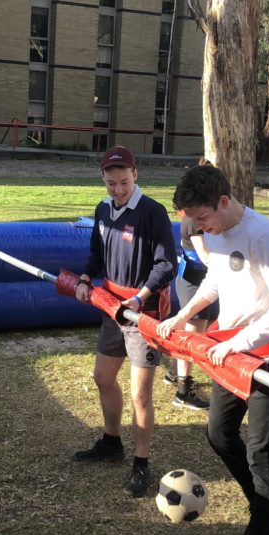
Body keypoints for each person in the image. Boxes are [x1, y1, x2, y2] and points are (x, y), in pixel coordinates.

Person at [157, 164, 269, 535]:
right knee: (219, 434)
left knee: (262, 453)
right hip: (232, 354)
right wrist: (183, 315)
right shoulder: (216, 232)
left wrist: (241, 343)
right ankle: (266, 511)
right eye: (191, 220)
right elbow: (215, 282)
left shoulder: (262, 236)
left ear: (224, 201)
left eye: (200, 218)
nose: (196, 227)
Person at [73, 146, 177, 498]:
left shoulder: (152, 212)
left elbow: (166, 265)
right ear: (102, 179)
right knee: (102, 377)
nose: (117, 190)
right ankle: (111, 440)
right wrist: (87, 279)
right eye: (111, 183)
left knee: (141, 395)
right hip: (111, 306)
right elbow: (96, 255)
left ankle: (141, 463)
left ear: (136, 175)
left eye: (124, 182)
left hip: (142, 312)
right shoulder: (103, 211)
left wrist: (140, 297)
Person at [167, 213, 217, 411]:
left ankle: (173, 372)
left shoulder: (211, 217)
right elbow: (204, 255)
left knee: (205, 325)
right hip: (193, 283)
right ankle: (183, 391)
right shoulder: (191, 219)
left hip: (208, 282)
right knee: (193, 336)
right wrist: (233, 268)